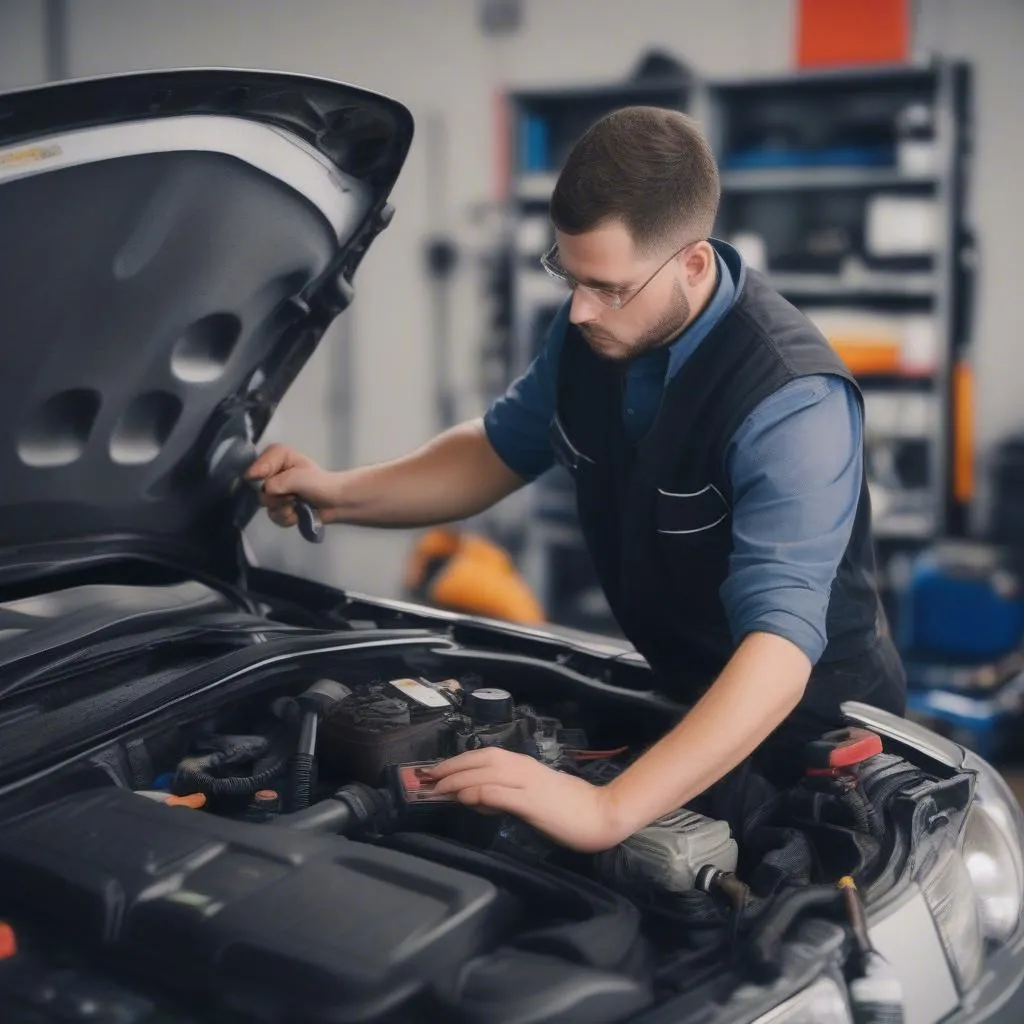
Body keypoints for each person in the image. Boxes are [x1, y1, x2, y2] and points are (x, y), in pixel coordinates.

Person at [248, 105, 907, 854]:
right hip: (680, 697)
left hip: (818, 746)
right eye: (568, 273)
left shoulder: (792, 400)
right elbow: (496, 450)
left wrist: (606, 812)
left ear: (691, 263)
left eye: (609, 286)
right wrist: (339, 491)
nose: (580, 308)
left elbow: (779, 655)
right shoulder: (591, 328)